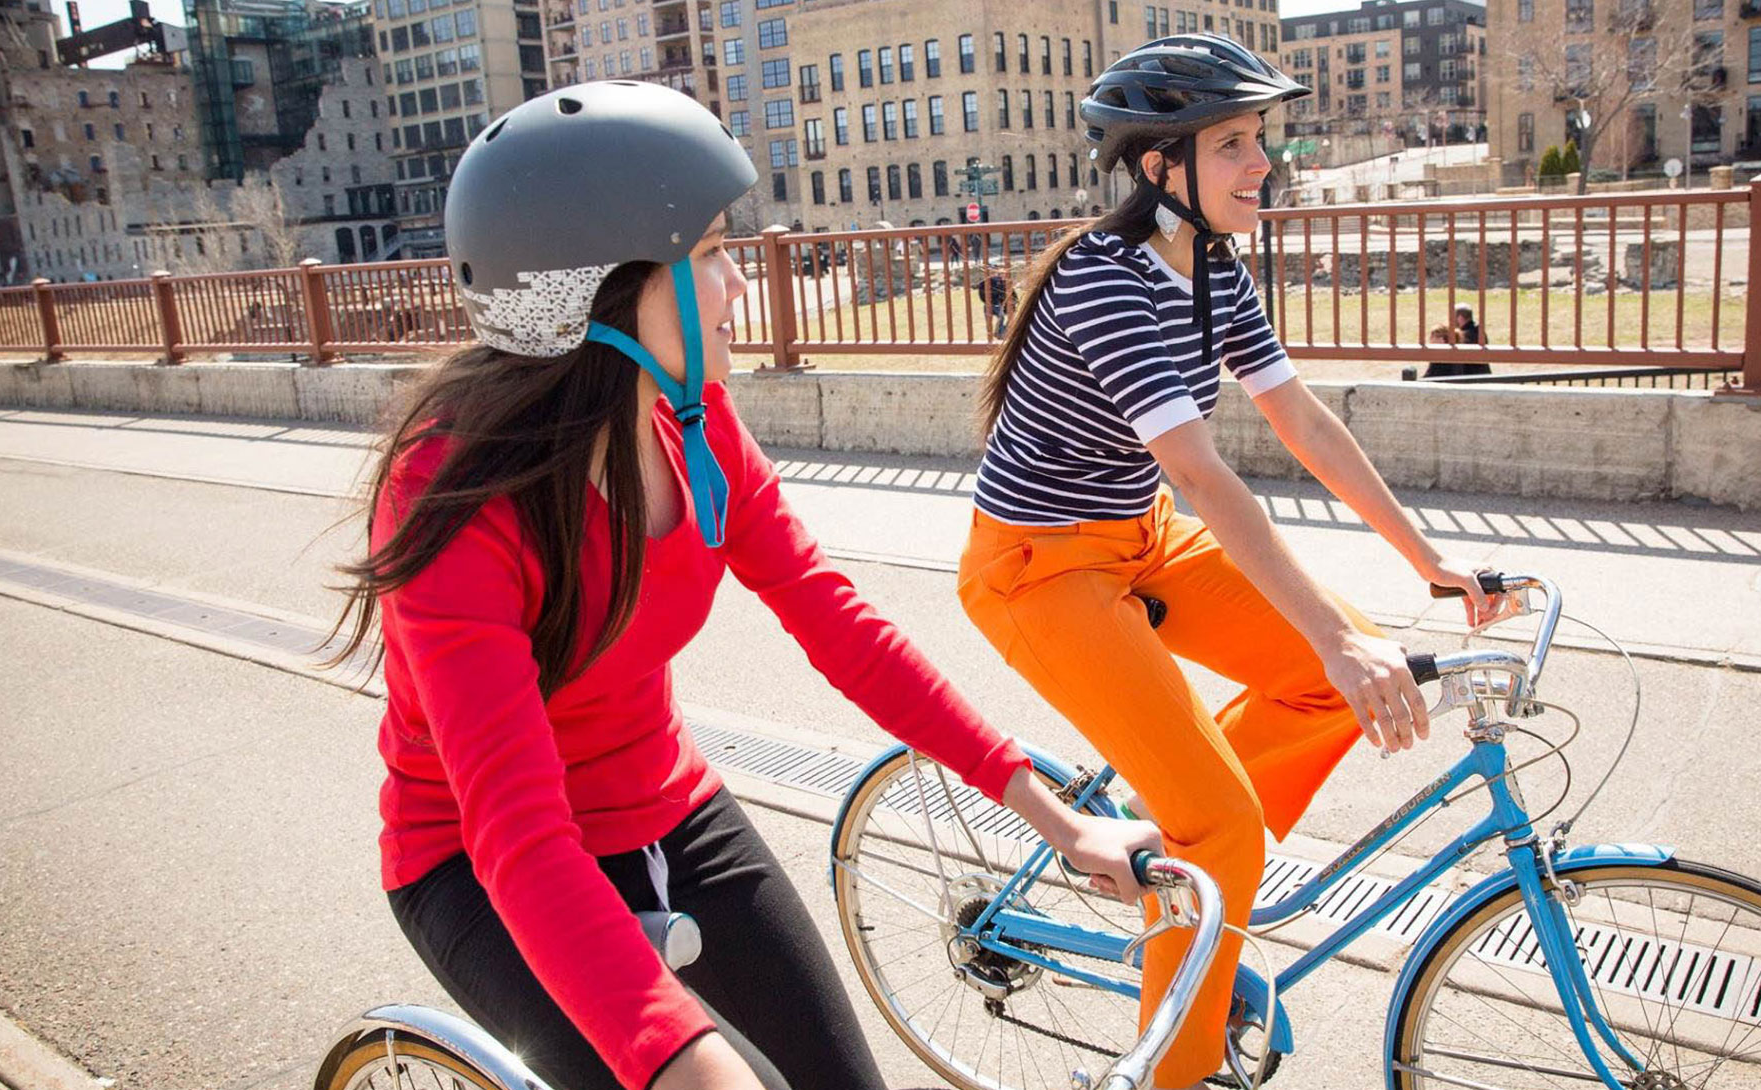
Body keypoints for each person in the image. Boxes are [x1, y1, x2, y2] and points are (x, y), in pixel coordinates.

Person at [326, 82, 1159, 1090]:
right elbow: (519, 832)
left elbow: (837, 622)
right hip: (480, 863)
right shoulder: (453, 494)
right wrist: (679, 1056)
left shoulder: (693, 421)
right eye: (714, 252)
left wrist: (1057, 818)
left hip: (666, 807)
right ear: (604, 289)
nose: (739, 286)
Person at [957, 35, 1494, 1089]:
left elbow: (1302, 421)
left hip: (1141, 536)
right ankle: (1175, 1065)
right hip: (1039, 565)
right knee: (1231, 817)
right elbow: (1204, 473)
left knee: (1335, 681)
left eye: (1260, 139)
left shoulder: (1212, 266)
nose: (1263, 164)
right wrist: (1330, 636)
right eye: (1234, 144)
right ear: (1161, 165)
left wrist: (1429, 562)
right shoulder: (1104, 279)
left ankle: (1172, 852)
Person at [1425, 304, 1491, 378]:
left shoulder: (1466, 336)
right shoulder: (1479, 332)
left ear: (1460, 318)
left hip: (1467, 378)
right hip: (1482, 376)